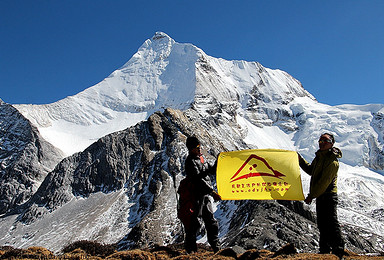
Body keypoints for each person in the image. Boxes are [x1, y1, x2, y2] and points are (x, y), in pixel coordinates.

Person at [298, 133, 345, 258]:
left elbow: (323, 183)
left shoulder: (332, 161)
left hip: (328, 195)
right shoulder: (319, 157)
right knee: (322, 223)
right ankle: (324, 250)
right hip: (321, 196)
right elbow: (311, 170)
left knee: (331, 222)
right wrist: (299, 160)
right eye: (320, 141)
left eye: (325, 140)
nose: (321, 143)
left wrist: (311, 196)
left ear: (331, 143)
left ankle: (339, 250)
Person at [178, 136, 221, 254]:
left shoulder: (201, 158)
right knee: (194, 224)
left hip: (205, 196)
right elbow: (198, 180)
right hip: (196, 197)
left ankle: (217, 249)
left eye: (200, 146)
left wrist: (219, 161)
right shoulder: (190, 162)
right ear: (191, 149)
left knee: (211, 222)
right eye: (197, 147)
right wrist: (212, 192)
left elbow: (210, 170)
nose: (200, 149)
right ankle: (191, 252)